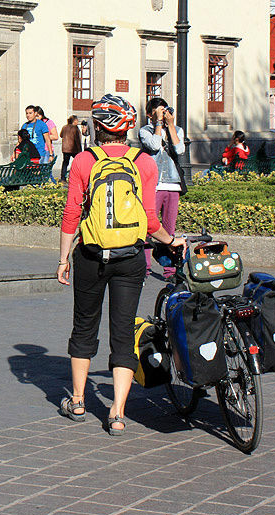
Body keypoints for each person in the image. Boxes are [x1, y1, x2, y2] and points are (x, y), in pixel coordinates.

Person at [57, 94, 186, 436]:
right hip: (130, 258)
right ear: (128, 126)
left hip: (90, 256)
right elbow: (149, 219)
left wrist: (62, 258)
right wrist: (171, 240)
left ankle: (80, 400)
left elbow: (72, 213)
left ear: (97, 127)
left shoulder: (84, 161)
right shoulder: (145, 163)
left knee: (84, 325)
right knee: (124, 332)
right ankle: (116, 413)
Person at [138, 97, 185, 278]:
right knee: (149, 228)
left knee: (169, 230)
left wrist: (170, 125)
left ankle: (170, 270)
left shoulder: (177, 130)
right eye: (158, 111)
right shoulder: (146, 130)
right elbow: (155, 145)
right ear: (150, 114)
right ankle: (145, 267)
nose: (162, 113)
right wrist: (158, 123)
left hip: (173, 184)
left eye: (164, 110)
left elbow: (180, 149)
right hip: (153, 185)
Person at [59, 115, 81, 182]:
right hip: (73, 148)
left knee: (65, 163)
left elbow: (61, 135)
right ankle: (77, 176)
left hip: (65, 149)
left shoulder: (64, 127)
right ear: (74, 121)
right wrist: (80, 150)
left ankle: (63, 177)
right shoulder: (75, 128)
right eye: (77, 120)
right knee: (78, 163)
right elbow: (77, 139)